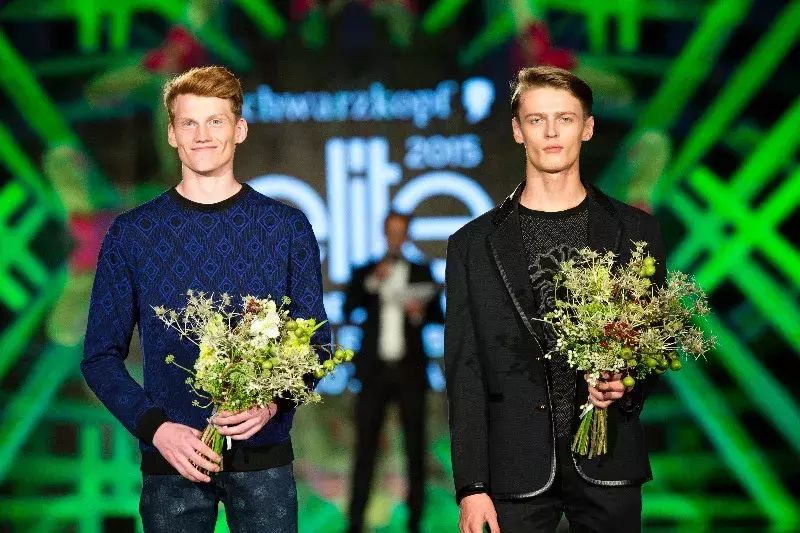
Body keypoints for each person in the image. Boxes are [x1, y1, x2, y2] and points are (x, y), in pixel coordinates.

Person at [81, 66, 330, 533]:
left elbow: (316, 346)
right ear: (172, 134)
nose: (202, 135)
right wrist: (156, 429)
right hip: (171, 462)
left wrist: (271, 404)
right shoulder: (134, 234)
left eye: (215, 121)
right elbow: (99, 356)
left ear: (240, 129)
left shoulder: (286, 227)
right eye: (189, 123)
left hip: (264, 460)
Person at [443, 66, 666, 533]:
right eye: (536, 119)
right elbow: (465, 371)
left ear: (587, 127)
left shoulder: (635, 231)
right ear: (517, 130)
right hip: (512, 470)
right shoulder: (473, 244)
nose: (550, 132)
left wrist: (625, 385)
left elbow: (652, 344)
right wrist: (471, 486)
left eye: (564, 119)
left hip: (609, 461)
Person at [344, 211, 443, 533]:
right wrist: (373, 280)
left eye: (402, 231)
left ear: (407, 234)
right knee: (365, 449)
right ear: (384, 233)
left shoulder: (421, 271)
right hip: (374, 374)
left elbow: (438, 317)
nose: (396, 236)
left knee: (415, 449)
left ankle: (415, 521)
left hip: (410, 373)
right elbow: (348, 308)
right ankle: (355, 523)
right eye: (392, 230)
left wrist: (420, 312)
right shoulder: (367, 270)